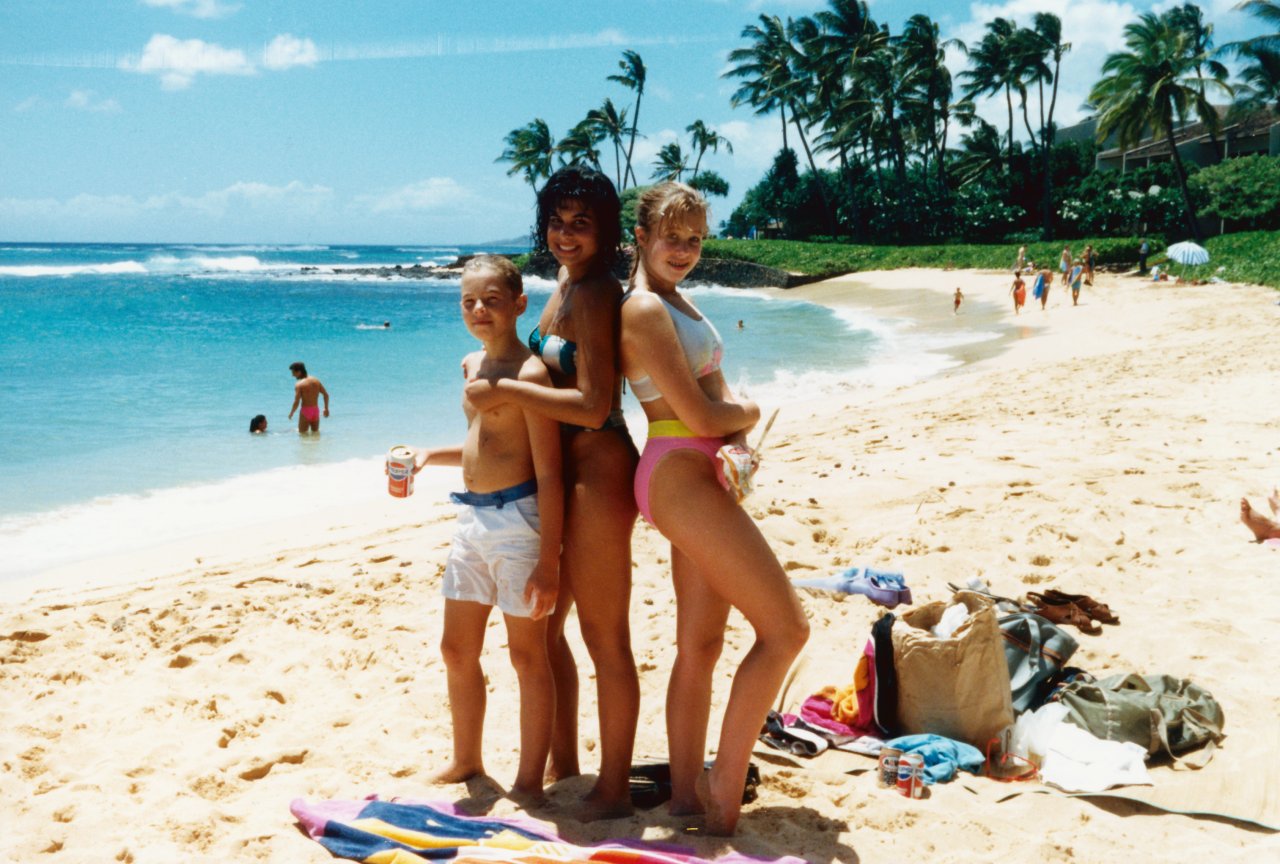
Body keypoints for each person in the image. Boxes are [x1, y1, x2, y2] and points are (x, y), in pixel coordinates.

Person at [618, 183, 808, 835]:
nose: (686, 250)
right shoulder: (642, 309)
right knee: (787, 631)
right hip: (674, 469)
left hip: (704, 470)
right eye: (674, 237)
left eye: (696, 239)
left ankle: (687, 798)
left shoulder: (682, 302)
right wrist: (752, 410)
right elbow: (698, 412)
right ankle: (724, 787)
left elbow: (714, 397)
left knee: (698, 645)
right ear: (642, 236)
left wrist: (741, 446)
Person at [463, 165, 639, 818]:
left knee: (604, 635)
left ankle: (615, 788)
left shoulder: (594, 292)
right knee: (553, 625)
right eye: (557, 222)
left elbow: (595, 405)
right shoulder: (566, 282)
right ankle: (566, 764)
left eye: (581, 224)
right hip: (563, 476)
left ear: (605, 231)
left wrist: (506, 390)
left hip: (598, 473)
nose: (566, 235)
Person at [410, 255, 563, 804]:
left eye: (492, 300)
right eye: (469, 301)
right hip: (470, 516)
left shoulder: (531, 375)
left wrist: (550, 562)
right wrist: (429, 453)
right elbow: (482, 445)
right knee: (456, 648)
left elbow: (548, 470)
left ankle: (528, 780)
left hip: (520, 520)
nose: (479, 309)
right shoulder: (472, 365)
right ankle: (466, 757)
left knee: (526, 656)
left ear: (519, 305)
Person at [288, 362, 329, 434]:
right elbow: (326, 395)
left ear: (299, 371)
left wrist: (292, 412)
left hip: (306, 411)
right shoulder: (316, 381)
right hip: (315, 410)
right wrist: (326, 408)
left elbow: (296, 401)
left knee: (302, 435)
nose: (292, 375)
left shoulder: (299, 384)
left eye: (293, 372)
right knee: (315, 434)